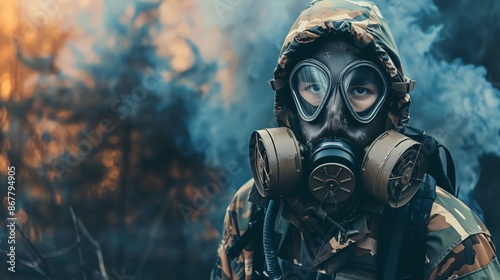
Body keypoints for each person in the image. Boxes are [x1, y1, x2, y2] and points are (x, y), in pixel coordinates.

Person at [210, 0, 500, 279]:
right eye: (313, 86)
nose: (334, 116)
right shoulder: (251, 211)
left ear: (390, 111)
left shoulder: (446, 237)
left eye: (360, 90)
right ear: (288, 106)